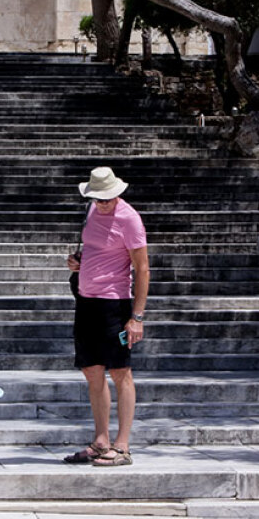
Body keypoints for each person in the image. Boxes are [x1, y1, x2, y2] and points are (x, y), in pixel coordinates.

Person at [63, 167, 149, 467]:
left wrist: (136, 316)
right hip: (86, 301)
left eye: (108, 198)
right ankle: (101, 440)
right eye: (98, 198)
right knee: (92, 370)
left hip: (116, 304)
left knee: (120, 371)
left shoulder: (129, 219)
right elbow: (95, 250)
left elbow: (142, 268)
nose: (103, 203)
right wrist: (78, 262)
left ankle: (122, 445)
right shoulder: (90, 211)